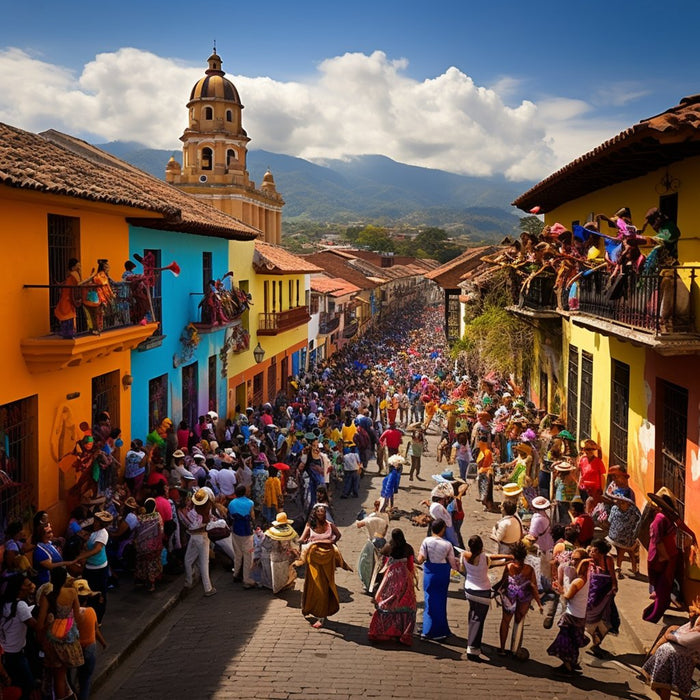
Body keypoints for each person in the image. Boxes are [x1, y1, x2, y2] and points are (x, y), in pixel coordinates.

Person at [643, 492, 697, 623]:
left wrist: (692, 535)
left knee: (663, 588)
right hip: (663, 557)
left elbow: (659, 539)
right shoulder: (663, 518)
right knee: (663, 589)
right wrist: (665, 556)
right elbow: (658, 540)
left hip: (665, 557)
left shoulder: (664, 517)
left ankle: (653, 613)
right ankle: (652, 615)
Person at [461, 535, 511, 661]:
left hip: (469, 591)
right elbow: (494, 559)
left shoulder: (465, 556)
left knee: (473, 616)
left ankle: (471, 642)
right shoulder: (485, 558)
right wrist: (509, 558)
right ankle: (473, 648)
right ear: (481, 547)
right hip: (483, 592)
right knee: (478, 620)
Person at [37, 567, 84, 700]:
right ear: (65, 579)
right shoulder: (72, 592)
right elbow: (78, 616)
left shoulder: (48, 597)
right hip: (69, 636)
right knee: (62, 675)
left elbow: (40, 624)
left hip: (53, 639)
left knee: (58, 676)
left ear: (51, 579)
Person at [299, 504, 348, 628]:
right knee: (315, 585)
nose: (321, 513)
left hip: (328, 560)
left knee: (326, 585)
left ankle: (322, 615)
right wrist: (304, 542)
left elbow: (338, 535)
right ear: (315, 513)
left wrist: (332, 542)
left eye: (323, 511)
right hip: (313, 560)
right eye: (319, 511)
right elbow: (301, 539)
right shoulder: (309, 525)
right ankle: (313, 609)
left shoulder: (329, 525)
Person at [642, 600, 700, 700]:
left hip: (679, 657)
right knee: (663, 684)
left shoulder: (696, 632)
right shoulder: (691, 625)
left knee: (665, 685)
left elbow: (684, 640)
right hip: (671, 654)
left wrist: (670, 636)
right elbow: (680, 634)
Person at [368, 528, 417, 646]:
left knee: (388, 603)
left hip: (391, 577)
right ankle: (403, 633)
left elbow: (382, 558)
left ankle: (386, 631)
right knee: (405, 604)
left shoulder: (389, 547)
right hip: (405, 578)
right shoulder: (408, 548)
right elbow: (411, 564)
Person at [547, 549, 592, 675]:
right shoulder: (586, 577)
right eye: (572, 558)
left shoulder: (578, 581)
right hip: (580, 615)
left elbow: (567, 596)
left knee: (564, 643)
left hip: (572, 615)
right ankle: (571, 664)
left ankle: (568, 668)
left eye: (576, 559)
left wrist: (560, 589)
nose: (572, 561)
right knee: (572, 642)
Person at [415, 518, 458, 640]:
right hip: (442, 574)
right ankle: (440, 630)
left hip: (430, 573)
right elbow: (452, 564)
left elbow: (420, 559)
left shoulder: (426, 541)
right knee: (441, 602)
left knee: (429, 602)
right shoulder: (447, 544)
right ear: (443, 529)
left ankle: (427, 630)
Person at [498, 541, 542, 656]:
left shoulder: (509, 566)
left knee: (505, 621)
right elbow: (533, 586)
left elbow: (504, 581)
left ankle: (502, 649)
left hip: (510, 597)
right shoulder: (529, 569)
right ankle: (515, 649)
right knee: (519, 622)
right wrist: (539, 603)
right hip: (524, 598)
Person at [0, 574, 38, 699]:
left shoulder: (6, 603)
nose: (30, 587)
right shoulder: (20, 606)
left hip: (5, 653)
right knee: (29, 687)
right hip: (16, 655)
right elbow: (36, 626)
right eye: (27, 585)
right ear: (20, 588)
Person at [74, 511, 112, 623]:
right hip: (89, 567)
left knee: (100, 594)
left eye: (96, 521)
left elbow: (97, 549)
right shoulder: (94, 532)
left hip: (99, 569)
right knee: (88, 592)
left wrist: (80, 556)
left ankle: (98, 619)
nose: (94, 523)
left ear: (100, 524)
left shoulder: (103, 533)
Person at [73, 578, 107, 700]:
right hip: (89, 648)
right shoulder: (91, 612)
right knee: (86, 679)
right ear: (86, 599)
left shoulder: (70, 614)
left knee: (77, 675)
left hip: (75, 649)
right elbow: (96, 630)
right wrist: (103, 642)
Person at [586, 538, 618, 657]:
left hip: (605, 595)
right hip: (593, 596)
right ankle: (594, 642)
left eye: (593, 551)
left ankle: (596, 644)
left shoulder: (607, 559)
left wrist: (614, 586)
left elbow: (612, 575)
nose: (591, 553)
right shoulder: (588, 561)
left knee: (607, 619)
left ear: (599, 551)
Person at [183, 489, 217, 597]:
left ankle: (188, 582)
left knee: (188, 560)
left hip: (194, 537)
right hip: (203, 538)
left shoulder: (192, 512)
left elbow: (190, 526)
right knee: (204, 563)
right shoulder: (208, 510)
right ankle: (208, 588)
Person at [228, 484, 256, 590]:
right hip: (247, 531)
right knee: (248, 556)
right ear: (244, 492)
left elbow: (230, 516)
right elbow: (252, 517)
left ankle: (236, 573)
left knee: (238, 554)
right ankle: (247, 579)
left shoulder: (231, 503)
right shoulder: (250, 503)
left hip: (236, 530)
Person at [133, 498, 164, 592]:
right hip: (153, 546)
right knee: (152, 564)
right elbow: (161, 530)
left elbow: (136, 531)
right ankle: (151, 583)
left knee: (142, 563)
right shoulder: (157, 516)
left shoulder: (139, 518)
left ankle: (141, 580)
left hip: (141, 547)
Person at [54, 258, 83, 339]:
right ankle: (69, 334)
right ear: (74, 267)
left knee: (66, 317)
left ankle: (66, 333)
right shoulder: (74, 274)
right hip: (68, 299)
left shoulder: (70, 275)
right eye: (78, 266)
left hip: (66, 298)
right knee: (68, 316)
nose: (80, 267)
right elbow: (79, 284)